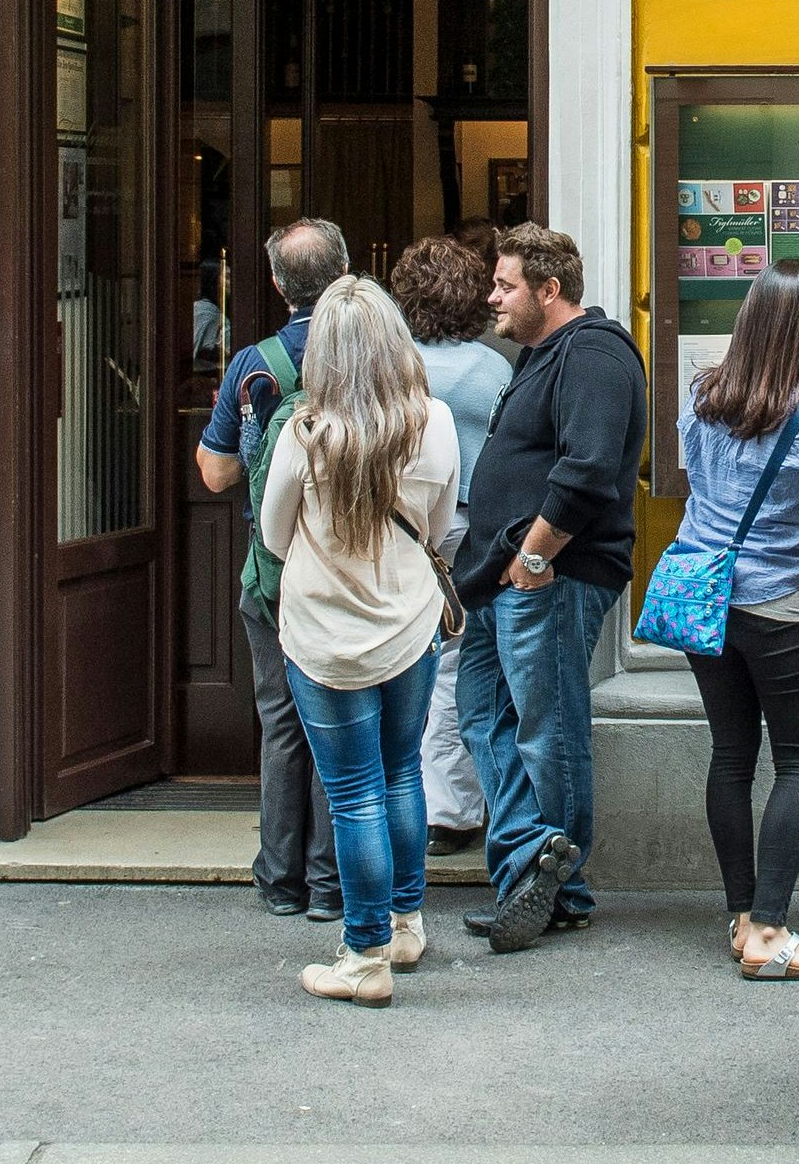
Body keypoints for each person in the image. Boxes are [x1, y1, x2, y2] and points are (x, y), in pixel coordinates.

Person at [256, 276, 463, 1006]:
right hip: (409, 626)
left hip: (324, 634)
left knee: (352, 796)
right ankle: (405, 923)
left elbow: (274, 536)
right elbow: (438, 529)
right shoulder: (433, 422)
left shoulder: (304, 433)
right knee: (402, 772)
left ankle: (364, 954)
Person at [450, 224, 647, 953]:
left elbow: (590, 468)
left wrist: (533, 559)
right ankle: (537, 871)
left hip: (548, 578)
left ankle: (549, 877)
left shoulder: (594, 351)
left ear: (548, 289)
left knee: (546, 727)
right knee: (483, 715)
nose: (492, 297)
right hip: (500, 580)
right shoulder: (543, 355)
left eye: (504, 285)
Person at [675, 261, 799, 979]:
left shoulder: (702, 398)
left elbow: (693, 478)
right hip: (778, 603)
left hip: (703, 595)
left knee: (730, 754)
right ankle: (772, 933)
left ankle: (742, 913)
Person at [192, 217, 350, 921]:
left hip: (274, 567)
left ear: (279, 285)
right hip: (354, 567)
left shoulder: (255, 363)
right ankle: (331, 886)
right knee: (343, 719)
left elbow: (218, 473)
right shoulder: (376, 354)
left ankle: (280, 879)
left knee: (283, 721)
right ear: (346, 273)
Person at [390, 235, 512, 855]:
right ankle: (455, 807)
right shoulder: (492, 369)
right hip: (468, 527)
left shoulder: (391, 366)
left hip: (398, 528)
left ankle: (403, 800)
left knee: (400, 661)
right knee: (456, 666)